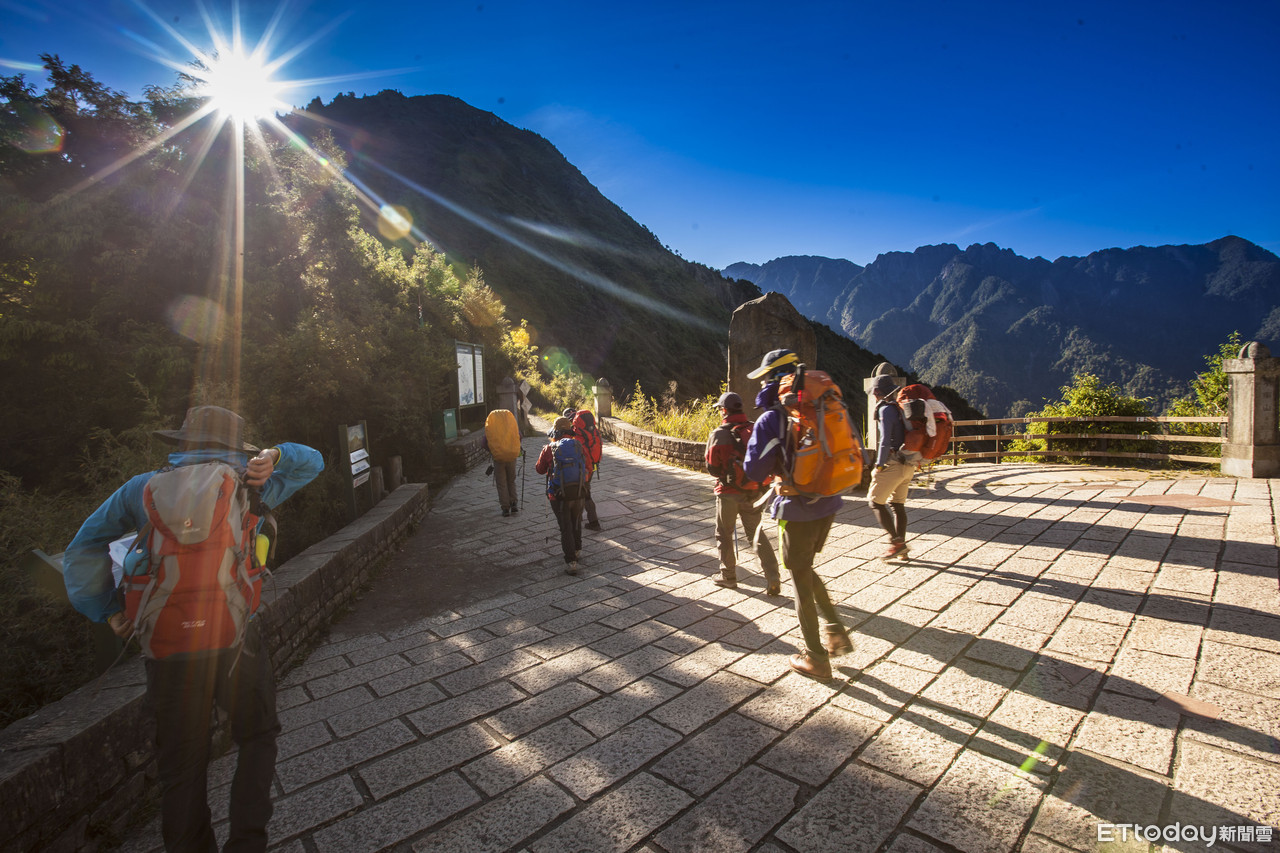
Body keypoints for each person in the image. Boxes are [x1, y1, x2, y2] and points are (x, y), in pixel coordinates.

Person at [62, 405, 324, 853]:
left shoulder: (142, 490)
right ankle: (247, 842)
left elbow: (82, 548)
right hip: (236, 637)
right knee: (257, 736)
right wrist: (276, 455)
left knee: (181, 768)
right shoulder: (251, 484)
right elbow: (314, 462)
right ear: (235, 448)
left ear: (182, 445)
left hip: (168, 646)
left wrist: (107, 610)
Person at [743, 349, 854, 681]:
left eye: (764, 376)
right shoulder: (823, 403)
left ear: (772, 378)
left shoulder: (772, 418)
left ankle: (816, 658)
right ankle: (835, 629)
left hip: (797, 508)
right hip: (830, 501)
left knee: (799, 579)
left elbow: (753, 468)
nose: (761, 382)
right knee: (804, 567)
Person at [704, 391, 781, 594]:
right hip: (753, 491)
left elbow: (711, 467)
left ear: (724, 410)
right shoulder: (756, 429)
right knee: (756, 534)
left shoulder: (719, 434)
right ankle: (773, 578)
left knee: (724, 534)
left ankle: (728, 576)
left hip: (727, 492)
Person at [869, 374, 915, 560]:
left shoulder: (885, 410)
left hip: (893, 462)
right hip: (908, 463)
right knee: (897, 505)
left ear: (877, 392)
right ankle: (901, 549)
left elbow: (884, 441)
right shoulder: (899, 408)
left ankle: (896, 543)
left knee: (875, 502)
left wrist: (879, 465)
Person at [536, 416, 588, 575]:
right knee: (576, 521)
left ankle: (571, 561)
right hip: (578, 492)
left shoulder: (549, 448)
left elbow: (539, 469)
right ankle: (577, 549)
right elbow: (588, 468)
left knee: (565, 527)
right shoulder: (579, 445)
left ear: (556, 431)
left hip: (558, 495)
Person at [482, 408, 522, 517]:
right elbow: (519, 436)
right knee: (511, 480)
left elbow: (483, 443)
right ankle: (514, 503)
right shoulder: (511, 426)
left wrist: (493, 450)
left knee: (501, 483)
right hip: (511, 457)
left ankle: (505, 508)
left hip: (498, 458)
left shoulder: (492, 428)